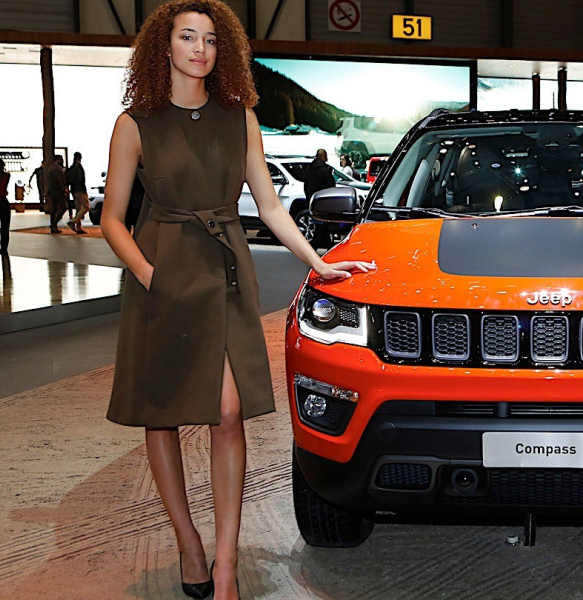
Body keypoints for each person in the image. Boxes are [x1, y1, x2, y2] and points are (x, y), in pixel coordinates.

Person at [100, 2, 376, 598]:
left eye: (210, 40)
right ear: (163, 47)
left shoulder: (239, 116)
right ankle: (188, 544)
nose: (199, 49)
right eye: (186, 37)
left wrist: (321, 264)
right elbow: (112, 220)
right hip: (162, 271)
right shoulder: (135, 123)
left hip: (225, 269)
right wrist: (152, 276)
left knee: (227, 411)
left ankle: (224, 566)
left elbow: (271, 206)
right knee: (163, 412)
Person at [66, 151, 90, 233]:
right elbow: (80, 180)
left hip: (73, 190)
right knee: (86, 206)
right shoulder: (78, 167)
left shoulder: (72, 167)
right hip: (80, 189)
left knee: (78, 208)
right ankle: (73, 221)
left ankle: (79, 227)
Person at [45, 155, 68, 234]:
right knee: (63, 207)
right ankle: (54, 224)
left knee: (54, 209)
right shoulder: (56, 169)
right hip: (57, 192)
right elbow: (59, 181)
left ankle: (53, 225)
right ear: (58, 159)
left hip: (53, 191)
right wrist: (63, 190)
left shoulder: (51, 168)